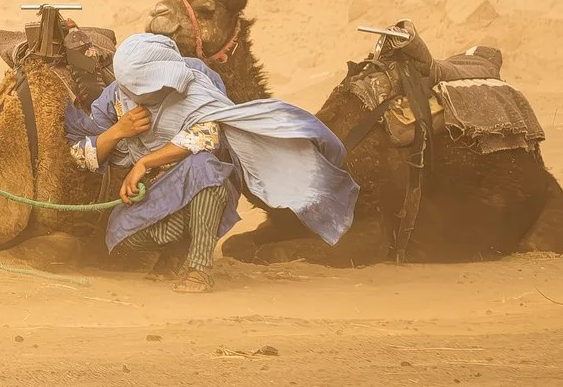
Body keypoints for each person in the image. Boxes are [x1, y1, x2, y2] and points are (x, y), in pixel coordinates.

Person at [65, 32, 358, 293]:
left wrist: (144, 163)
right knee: (124, 238)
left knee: (205, 166)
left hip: (207, 182)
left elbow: (206, 136)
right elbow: (82, 154)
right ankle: (180, 247)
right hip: (153, 190)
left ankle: (200, 267)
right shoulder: (115, 98)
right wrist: (119, 130)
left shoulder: (197, 83)